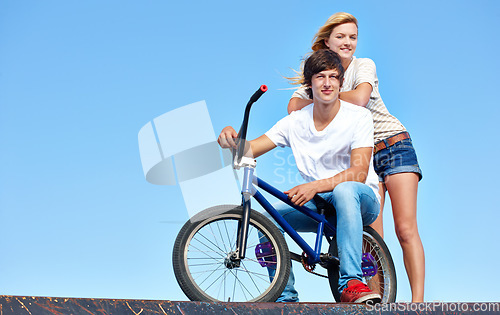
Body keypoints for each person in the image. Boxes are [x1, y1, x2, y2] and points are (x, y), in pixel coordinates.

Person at [218, 49, 381, 304]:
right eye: (320, 77)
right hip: (319, 201)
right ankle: (284, 297)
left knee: (345, 190)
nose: (327, 83)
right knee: (268, 220)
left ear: (340, 82)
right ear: (309, 84)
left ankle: (352, 282)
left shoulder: (359, 116)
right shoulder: (294, 122)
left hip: (360, 198)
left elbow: (358, 174)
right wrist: (231, 138)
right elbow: (250, 148)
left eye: (333, 77)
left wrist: (315, 186)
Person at [287, 12, 425, 302]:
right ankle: (376, 300)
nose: (348, 42)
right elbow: (293, 108)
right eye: (341, 37)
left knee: (405, 228)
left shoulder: (363, 65)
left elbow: (361, 98)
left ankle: (417, 304)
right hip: (359, 155)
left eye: (353, 37)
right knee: (369, 237)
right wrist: (320, 93)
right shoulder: (322, 70)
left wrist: (321, 95)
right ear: (327, 41)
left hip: (392, 146)